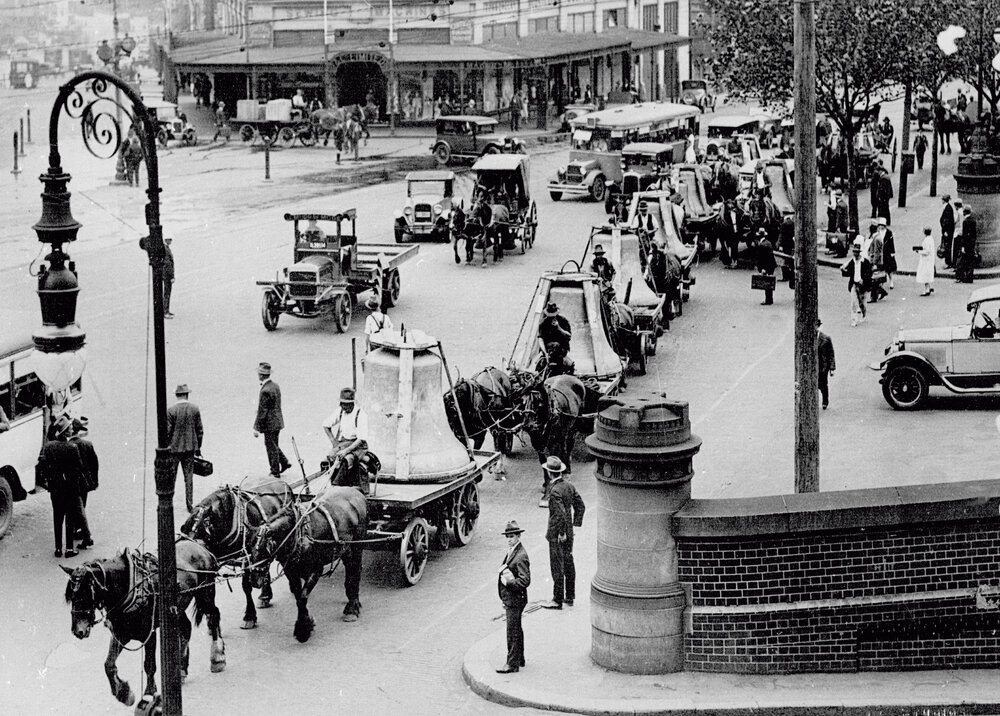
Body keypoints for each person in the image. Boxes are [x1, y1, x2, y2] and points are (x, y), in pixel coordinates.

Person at [39, 414, 89, 558]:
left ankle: (57, 549)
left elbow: (41, 466)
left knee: (57, 518)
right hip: (70, 490)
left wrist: (49, 481)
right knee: (70, 519)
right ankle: (69, 549)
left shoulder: (48, 447)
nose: (72, 428)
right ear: (66, 431)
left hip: (55, 489)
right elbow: (78, 468)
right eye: (69, 427)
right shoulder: (72, 448)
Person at [541, 456, 585, 609]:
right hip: (569, 532)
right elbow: (580, 506)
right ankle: (570, 596)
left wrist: (561, 532)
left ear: (549, 473)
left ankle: (557, 599)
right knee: (568, 562)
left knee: (557, 566)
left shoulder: (554, 491)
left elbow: (559, 514)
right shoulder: (569, 486)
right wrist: (574, 525)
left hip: (557, 534)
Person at [496, 520, 530, 674]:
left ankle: (512, 664)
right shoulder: (513, 551)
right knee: (516, 629)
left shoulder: (521, 555)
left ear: (518, 536)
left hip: (515, 598)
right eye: (507, 536)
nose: (509, 539)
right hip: (512, 598)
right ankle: (519, 659)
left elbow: (525, 580)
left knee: (512, 631)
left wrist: (509, 584)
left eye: (512, 536)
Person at [322, 387, 369, 493]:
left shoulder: (361, 414)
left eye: (346, 404)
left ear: (352, 403)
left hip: (358, 445)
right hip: (343, 442)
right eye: (342, 404)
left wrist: (345, 451)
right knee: (330, 457)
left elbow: (361, 439)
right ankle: (333, 482)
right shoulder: (340, 411)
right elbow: (325, 424)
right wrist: (333, 441)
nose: (343, 407)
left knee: (346, 459)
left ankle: (337, 486)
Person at [166, 383, 203, 513]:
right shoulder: (194, 409)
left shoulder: (171, 410)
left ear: (177, 395)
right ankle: (190, 504)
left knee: (172, 477)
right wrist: (198, 447)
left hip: (174, 450)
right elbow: (200, 430)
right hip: (190, 449)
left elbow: (168, 432)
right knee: (189, 478)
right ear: (187, 394)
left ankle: (168, 503)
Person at [254, 362, 291, 477]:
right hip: (277, 421)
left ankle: (275, 472)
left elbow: (262, 411)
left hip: (269, 423)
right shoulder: (275, 386)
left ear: (261, 375)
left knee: (270, 446)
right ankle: (284, 462)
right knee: (273, 443)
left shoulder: (265, 390)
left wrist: (256, 427)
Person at [68, 420, 98, 546]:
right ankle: (79, 530)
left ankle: (85, 534)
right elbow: (94, 465)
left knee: (76, 508)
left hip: (72, 483)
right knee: (82, 505)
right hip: (85, 482)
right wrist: (94, 481)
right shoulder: (88, 444)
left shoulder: (67, 445)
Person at [841, 241, 872, 327]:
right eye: (854, 251)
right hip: (854, 284)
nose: (855, 253)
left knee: (862, 303)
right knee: (854, 303)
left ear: (859, 252)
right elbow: (849, 273)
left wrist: (864, 280)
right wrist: (843, 270)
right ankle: (854, 320)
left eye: (857, 252)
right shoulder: (852, 261)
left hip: (862, 285)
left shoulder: (865, 261)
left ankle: (864, 313)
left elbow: (869, 273)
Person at [754, 228, 776, 306]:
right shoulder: (767, 243)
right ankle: (769, 299)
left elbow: (764, 258)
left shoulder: (762, 245)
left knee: (767, 282)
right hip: (771, 265)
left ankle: (768, 300)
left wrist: (763, 268)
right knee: (769, 282)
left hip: (767, 266)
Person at [817, 319, 836, 410]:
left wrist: (832, 368)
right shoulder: (807, 339)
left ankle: (825, 401)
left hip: (823, 366)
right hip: (813, 366)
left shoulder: (826, 339)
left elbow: (831, 354)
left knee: (823, 385)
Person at [956, 206, 977, 284]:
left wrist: (963, 246)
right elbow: (974, 234)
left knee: (965, 261)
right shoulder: (973, 221)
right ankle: (970, 278)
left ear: (965, 212)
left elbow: (964, 235)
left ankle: (964, 277)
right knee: (971, 262)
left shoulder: (965, 221)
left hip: (966, 245)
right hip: (972, 244)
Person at [914, 227, 936, 296]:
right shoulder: (931, 239)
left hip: (926, 260)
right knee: (928, 274)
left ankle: (927, 290)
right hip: (930, 260)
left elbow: (926, 251)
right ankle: (928, 287)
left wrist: (919, 252)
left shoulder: (927, 240)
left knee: (925, 274)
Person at [878, 216, 897, 291]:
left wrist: (892, 252)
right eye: (880, 225)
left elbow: (891, 243)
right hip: (880, 252)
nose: (881, 227)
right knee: (880, 269)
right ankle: (880, 283)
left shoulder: (889, 233)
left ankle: (891, 281)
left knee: (889, 269)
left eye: (882, 225)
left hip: (887, 252)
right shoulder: (877, 232)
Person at [939, 194, 956, 268]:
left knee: (947, 246)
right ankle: (947, 261)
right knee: (947, 246)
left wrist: (945, 231)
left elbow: (947, 221)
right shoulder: (947, 207)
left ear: (944, 200)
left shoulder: (948, 208)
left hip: (947, 231)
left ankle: (948, 262)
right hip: (947, 231)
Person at [163, 237, 175, 318]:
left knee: (166, 292)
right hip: (167, 274)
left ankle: (166, 310)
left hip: (165, 274)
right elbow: (168, 264)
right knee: (167, 292)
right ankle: (165, 311)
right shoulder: (166, 249)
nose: (171, 241)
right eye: (170, 239)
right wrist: (172, 276)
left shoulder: (165, 248)